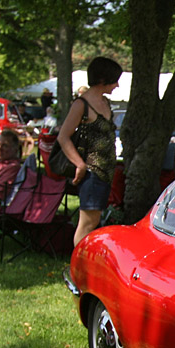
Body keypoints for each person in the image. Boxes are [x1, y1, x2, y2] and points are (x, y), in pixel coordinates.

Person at [57, 56, 123, 246]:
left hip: (105, 172)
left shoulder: (105, 103)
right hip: (92, 173)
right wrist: (80, 164)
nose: (117, 85)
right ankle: (77, 266)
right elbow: (63, 136)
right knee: (87, 223)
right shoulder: (81, 105)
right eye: (114, 80)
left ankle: (85, 264)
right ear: (103, 79)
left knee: (94, 222)